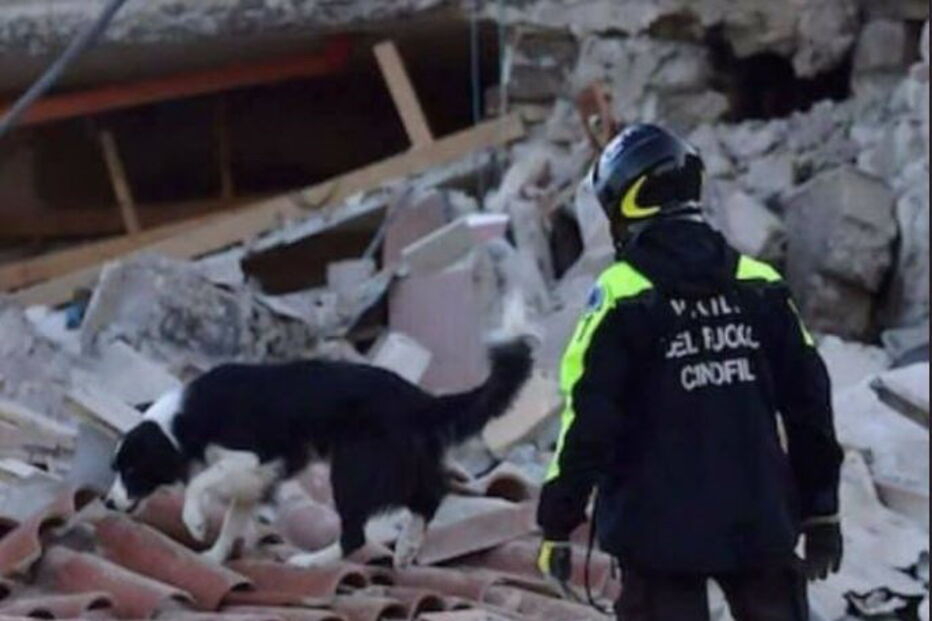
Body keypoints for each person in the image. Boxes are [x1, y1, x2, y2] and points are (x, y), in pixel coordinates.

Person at [535, 123, 843, 620]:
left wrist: (557, 520)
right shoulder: (760, 284)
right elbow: (811, 406)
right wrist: (822, 508)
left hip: (656, 533)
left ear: (623, 204)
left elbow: (588, 421)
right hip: (758, 518)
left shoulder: (620, 297)